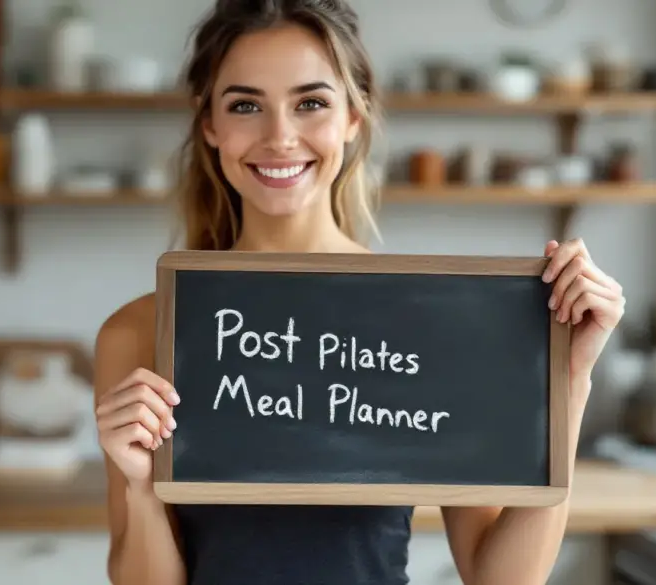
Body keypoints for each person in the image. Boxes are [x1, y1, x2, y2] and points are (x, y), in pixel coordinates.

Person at [93, 0, 626, 583]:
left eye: (311, 103)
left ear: (354, 116)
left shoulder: (431, 320)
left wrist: (567, 383)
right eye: (246, 104)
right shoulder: (139, 333)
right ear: (209, 123)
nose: (279, 136)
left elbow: (500, 578)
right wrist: (141, 488)